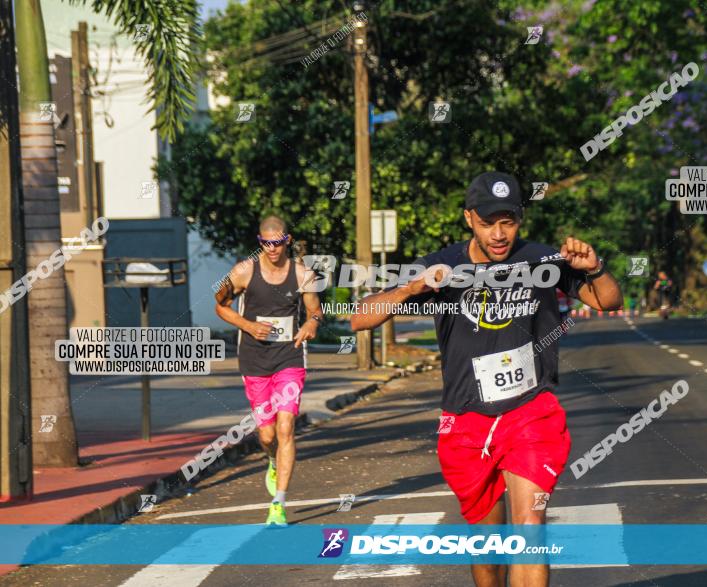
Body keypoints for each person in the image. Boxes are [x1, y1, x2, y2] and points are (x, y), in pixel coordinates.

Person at [350, 171, 622, 587]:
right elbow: (358, 320)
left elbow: (607, 301)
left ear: (520, 218)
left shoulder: (543, 260)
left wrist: (595, 267)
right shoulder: (443, 265)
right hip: (466, 420)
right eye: (487, 222)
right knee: (489, 546)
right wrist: (411, 288)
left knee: (530, 530)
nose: (499, 234)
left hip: (530, 412)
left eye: (508, 222)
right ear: (468, 218)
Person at [214, 215, 323, 526]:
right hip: (254, 359)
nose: (272, 248)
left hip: (289, 357)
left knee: (286, 427)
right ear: (259, 242)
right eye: (265, 243)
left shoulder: (303, 274)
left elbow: (316, 310)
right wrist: (247, 325)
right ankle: (271, 460)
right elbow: (219, 304)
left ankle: (279, 503)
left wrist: (312, 324)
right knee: (266, 433)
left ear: (287, 240)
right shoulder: (244, 271)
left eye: (277, 242)